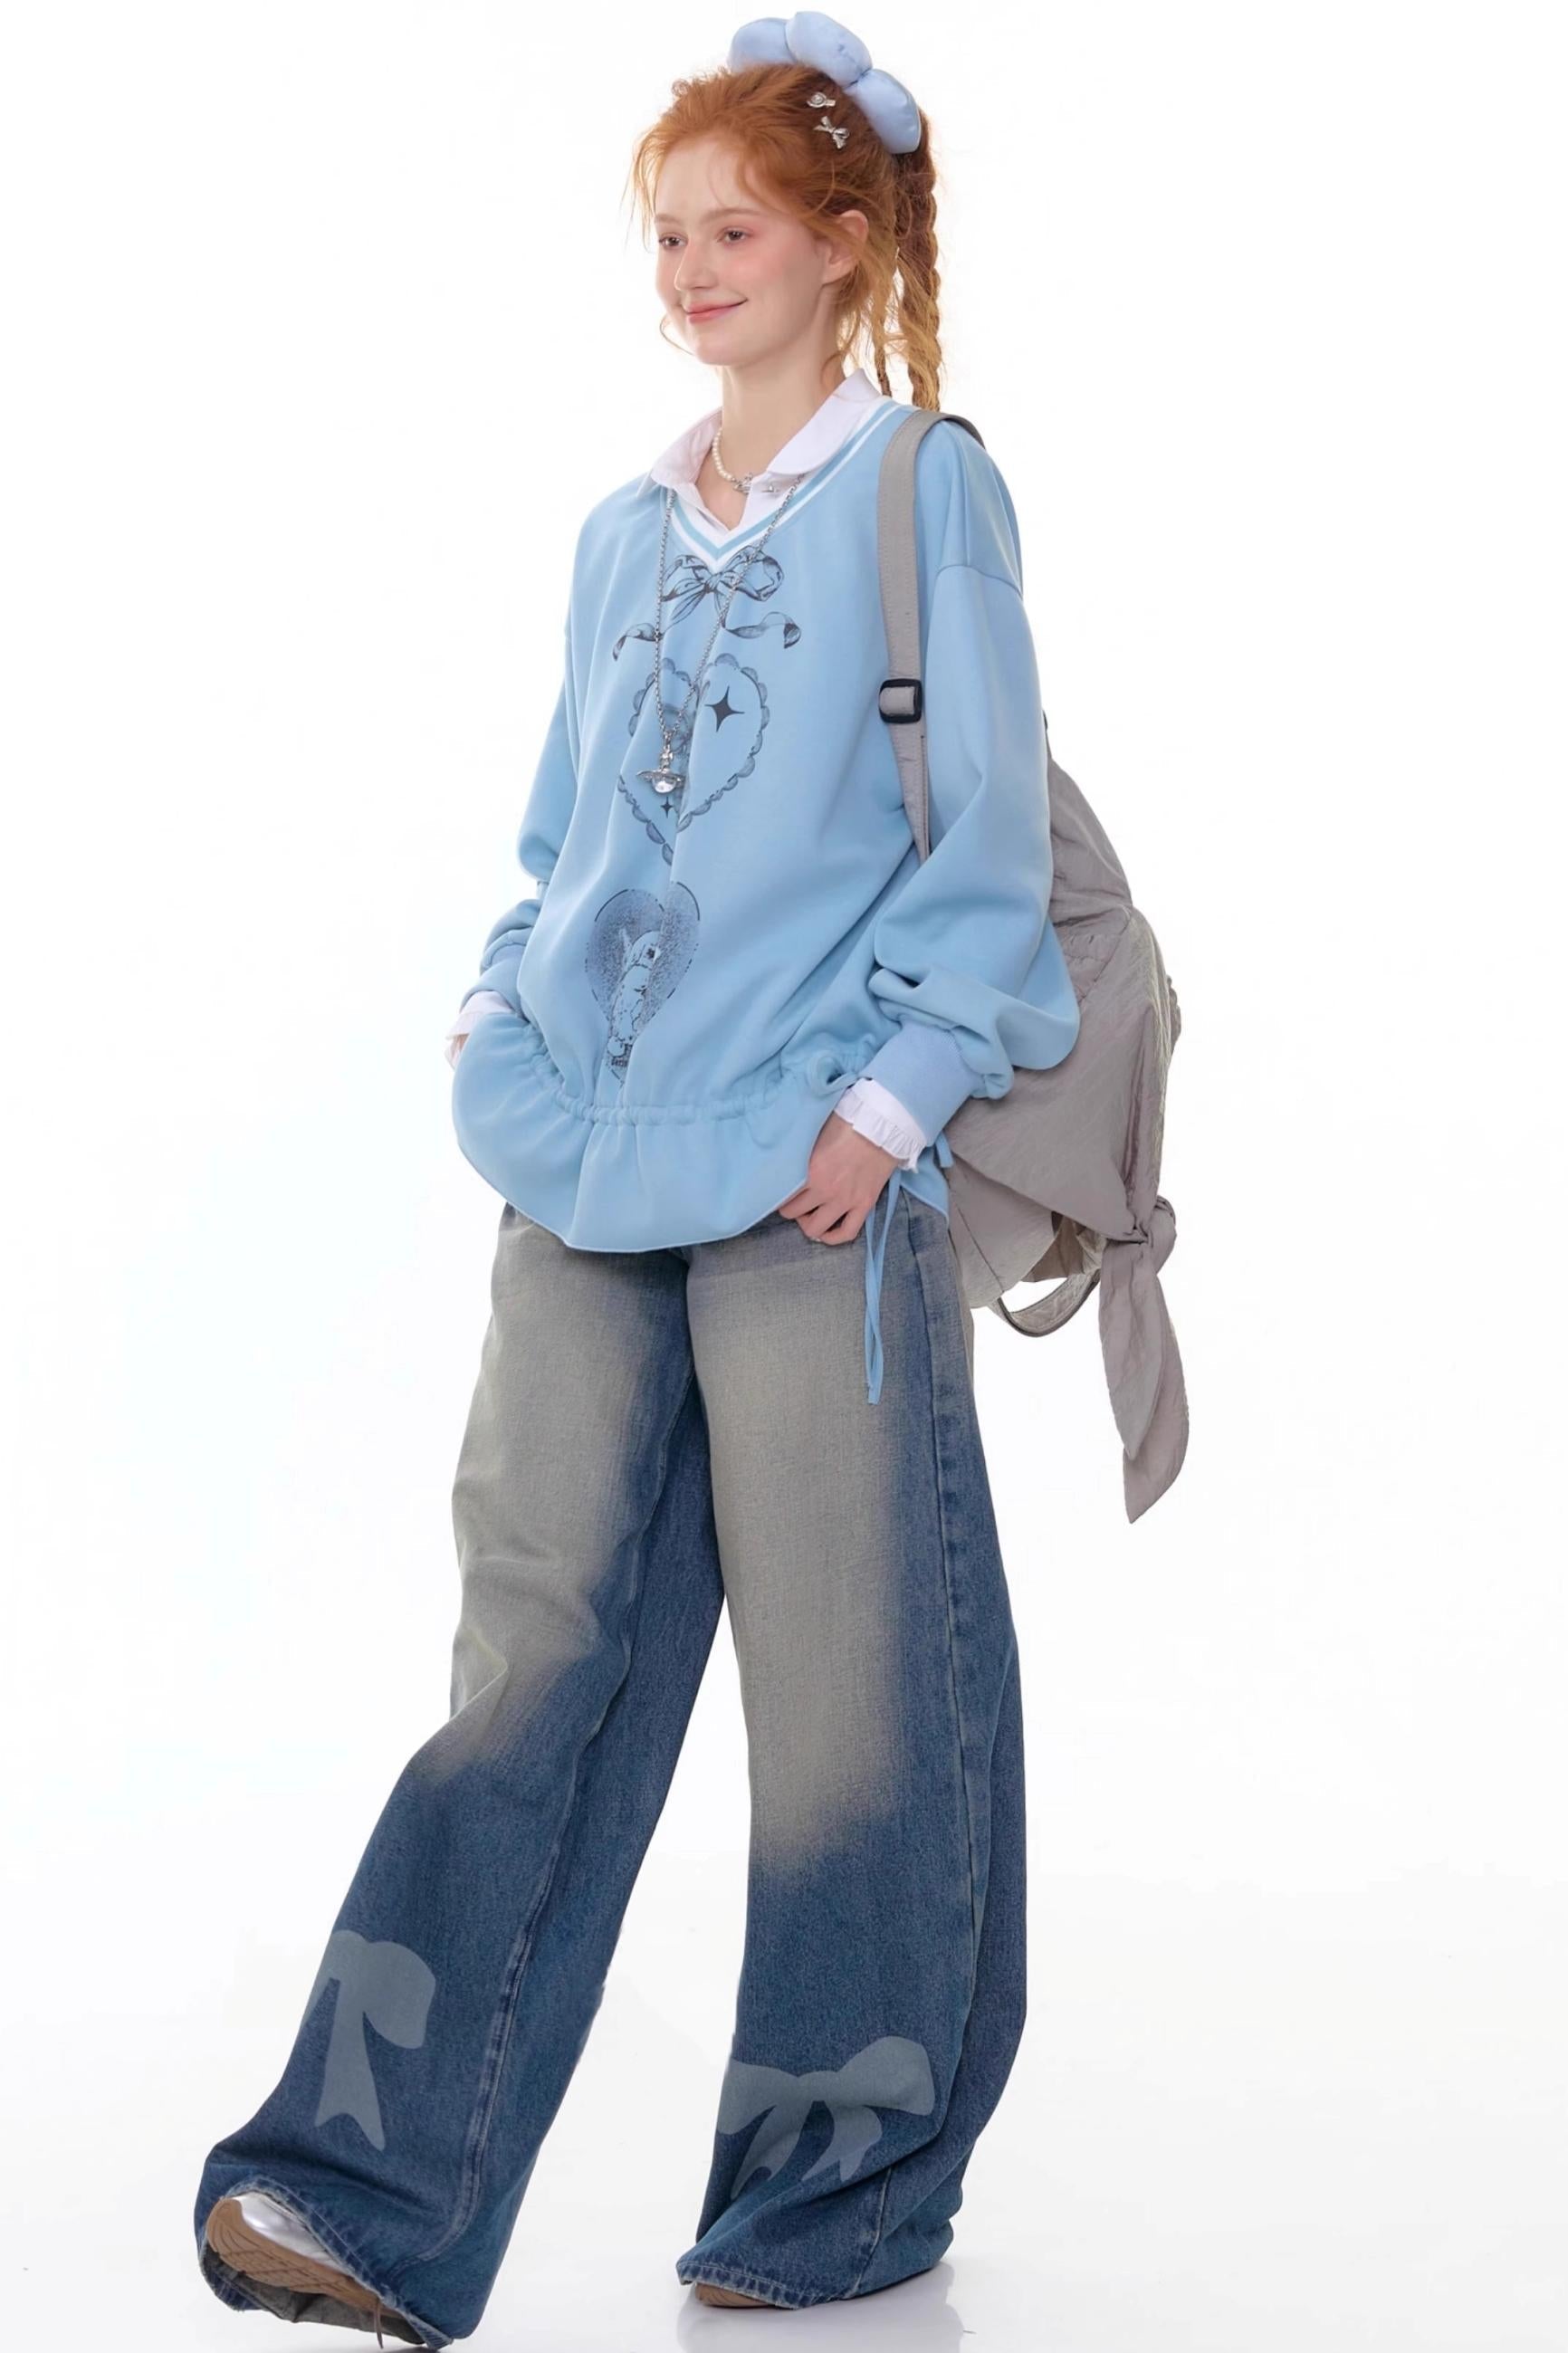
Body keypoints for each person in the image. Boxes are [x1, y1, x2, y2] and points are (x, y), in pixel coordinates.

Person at [192, 15, 1081, 2346]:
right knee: (529, 1663)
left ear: (844, 245)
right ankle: (358, 2190)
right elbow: (560, 830)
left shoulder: (918, 492)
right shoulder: (616, 532)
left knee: (853, 1697)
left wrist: (887, 1104)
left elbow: (984, 836)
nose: (690, 269)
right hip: (577, 1164)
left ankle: (838, 2195)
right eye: (666, 234)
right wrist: (500, 999)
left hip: (814, 1175)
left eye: (734, 229)